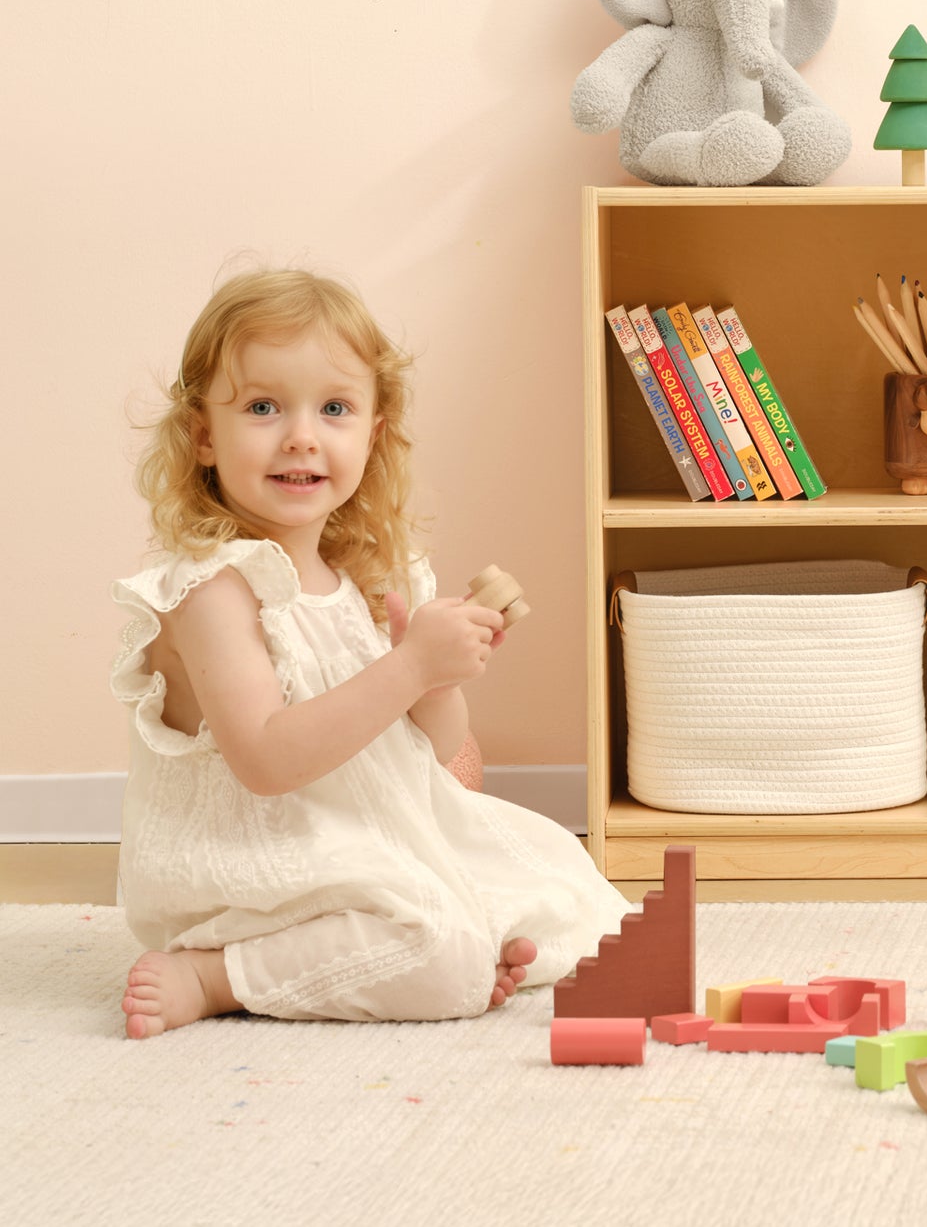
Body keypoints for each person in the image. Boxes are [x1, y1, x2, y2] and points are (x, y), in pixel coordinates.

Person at [113, 267, 629, 1038]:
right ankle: (215, 972)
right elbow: (266, 761)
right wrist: (410, 666)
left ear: (373, 433)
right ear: (202, 436)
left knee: (561, 882)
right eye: (262, 407)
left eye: (334, 408)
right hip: (256, 863)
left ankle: (421, 953)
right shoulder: (212, 589)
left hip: (358, 834)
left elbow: (437, 748)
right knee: (440, 947)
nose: (301, 435)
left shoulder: (362, 572)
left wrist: (441, 674)